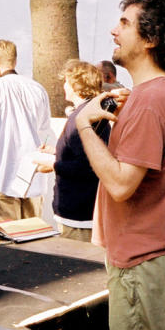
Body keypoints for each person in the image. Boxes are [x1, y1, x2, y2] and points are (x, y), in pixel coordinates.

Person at [75, 0, 165, 330]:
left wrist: (83, 124)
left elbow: (120, 185)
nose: (114, 30)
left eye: (125, 23)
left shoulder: (148, 101)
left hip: (145, 262)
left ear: (151, 39)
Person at [0, 39, 52, 223]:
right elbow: (44, 132)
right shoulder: (37, 89)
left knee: (4, 243)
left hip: (3, 177)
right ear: (14, 61)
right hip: (33, 176)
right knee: (32, 241)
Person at [36, 59, 110, 242]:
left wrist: (53, 165)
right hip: (85, 207)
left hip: (79, 212)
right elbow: (85, 152)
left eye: (67, 81)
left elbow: (86, 165)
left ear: (77, 85)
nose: (64, 86)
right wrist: (56, 151)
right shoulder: (91, 113)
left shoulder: (82, 118)